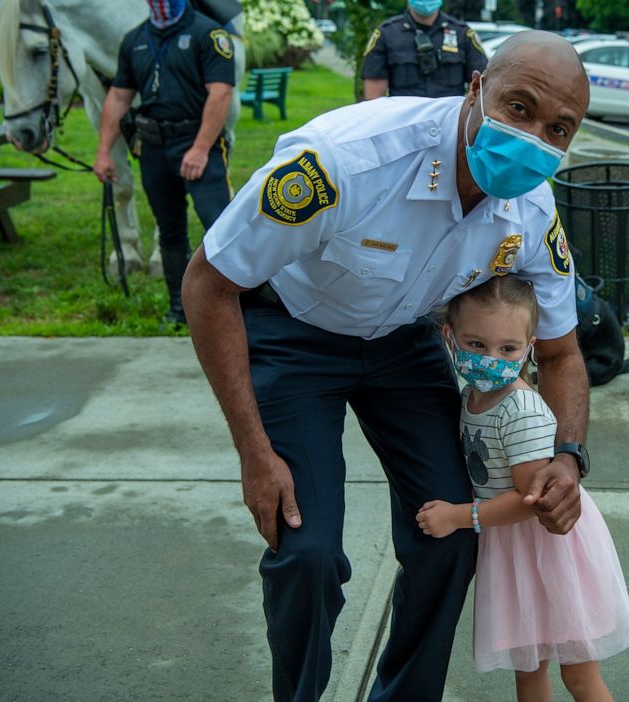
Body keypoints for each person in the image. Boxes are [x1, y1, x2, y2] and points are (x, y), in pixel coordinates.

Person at [182, 31, 591, 701]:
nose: (532, 137)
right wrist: (254, 451)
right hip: (295, 334)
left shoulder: (532, 209)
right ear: (475, 88)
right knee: (305, 552)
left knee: (450, 534)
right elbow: (208, 281)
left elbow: (563, 352)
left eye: (558, 128)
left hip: (404, 343)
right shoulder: (346, 162)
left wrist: (569, 456)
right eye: (518, 107)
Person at [417, 275, 629, 702]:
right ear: (450, 336)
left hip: (549, 550)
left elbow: (531, 500)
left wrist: (458, 516)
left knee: (579, 676)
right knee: (528, 674)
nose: (491, 358)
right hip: (513, 553)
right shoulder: (473, 396)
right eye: (476, 345)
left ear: (530, 347)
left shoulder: (519, 409)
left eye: (507, 349)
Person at [94, 0, 235, 326]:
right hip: (155, 148)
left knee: (220, 226)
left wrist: (200, 149)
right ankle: (180, 310)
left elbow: (220, 94)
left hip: (200, 145)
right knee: (170, 231)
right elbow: (119, 96)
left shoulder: (209, 33)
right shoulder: (134, 39)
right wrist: (103, 151)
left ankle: (238, 304)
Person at [362, 0, 487, 100]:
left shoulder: (462, 34)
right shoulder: (386, 34)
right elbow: (374, 100)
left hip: (450, 125)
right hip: (405, 125)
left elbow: (483, 89)